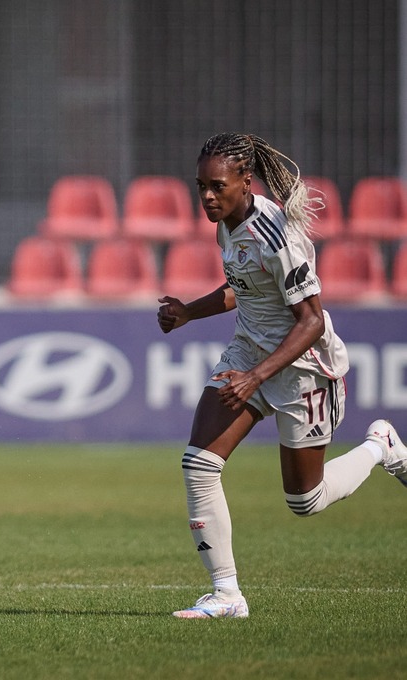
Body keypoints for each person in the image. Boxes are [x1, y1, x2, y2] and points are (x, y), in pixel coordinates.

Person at [157, 132, 407, 619]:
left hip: (304, 370)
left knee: (305, 501)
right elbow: (240, 287)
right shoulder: (226, 224)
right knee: (199, 465)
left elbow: (311, 322)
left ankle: (382, 446)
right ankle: (227, 596)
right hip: (248, 350)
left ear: (244, 182)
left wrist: (255, 377)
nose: (207, 196)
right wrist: (189, 311)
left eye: (217, 186)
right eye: (200, 186)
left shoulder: (278, 236)